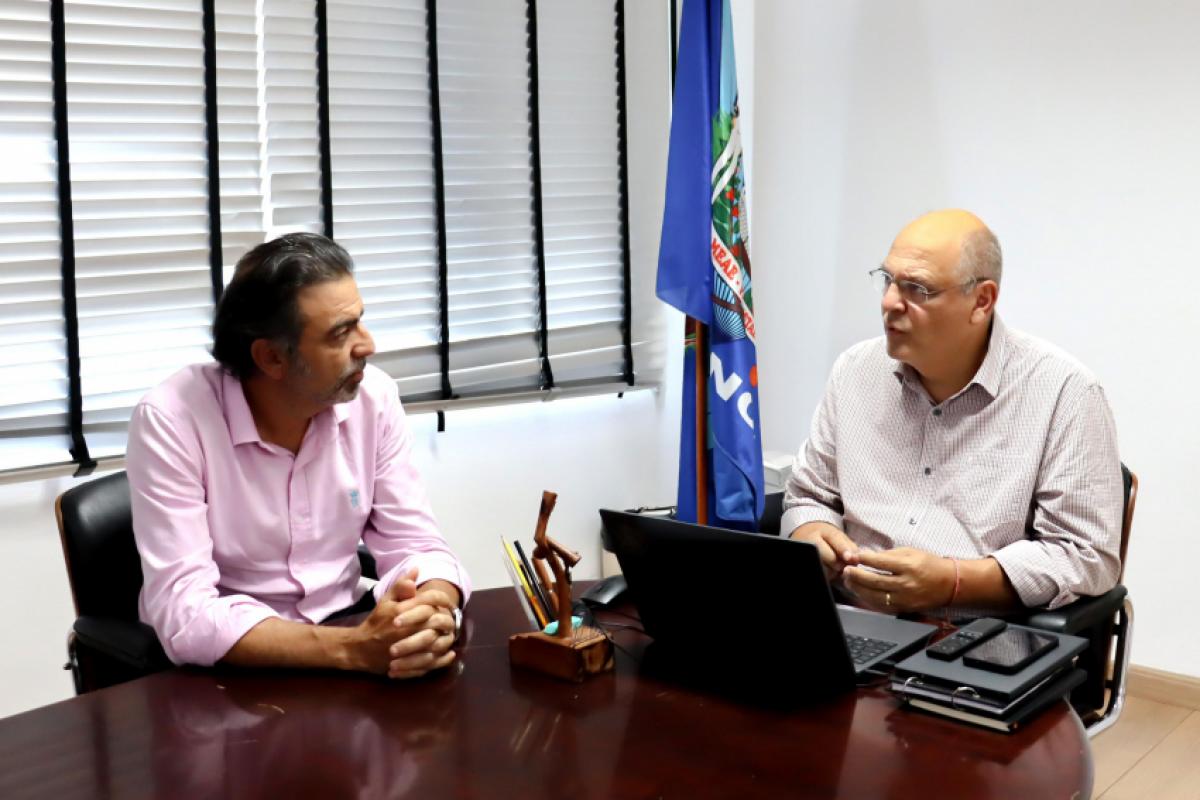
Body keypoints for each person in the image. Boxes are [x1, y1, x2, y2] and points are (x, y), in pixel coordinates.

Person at [127, 232, 469, 678]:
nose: (368, 345)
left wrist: (431, 610)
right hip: (232, 667)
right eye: (340, 333)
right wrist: (352, 649)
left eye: (360, 322)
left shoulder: (374, 397)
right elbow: (184, 609)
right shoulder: (173, 419)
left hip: (348, 632)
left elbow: (416, 545)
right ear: (271, 358)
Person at [783, 209, 1122, 615]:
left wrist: (954, 582)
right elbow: (809, 495)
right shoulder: (855, 371)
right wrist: (812, 529)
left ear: (981, 301)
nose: (889, 302)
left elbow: (1084, 556)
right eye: (888, 280)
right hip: (842, 619)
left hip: (973, 633)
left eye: (917, 289)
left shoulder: (1064, 392)